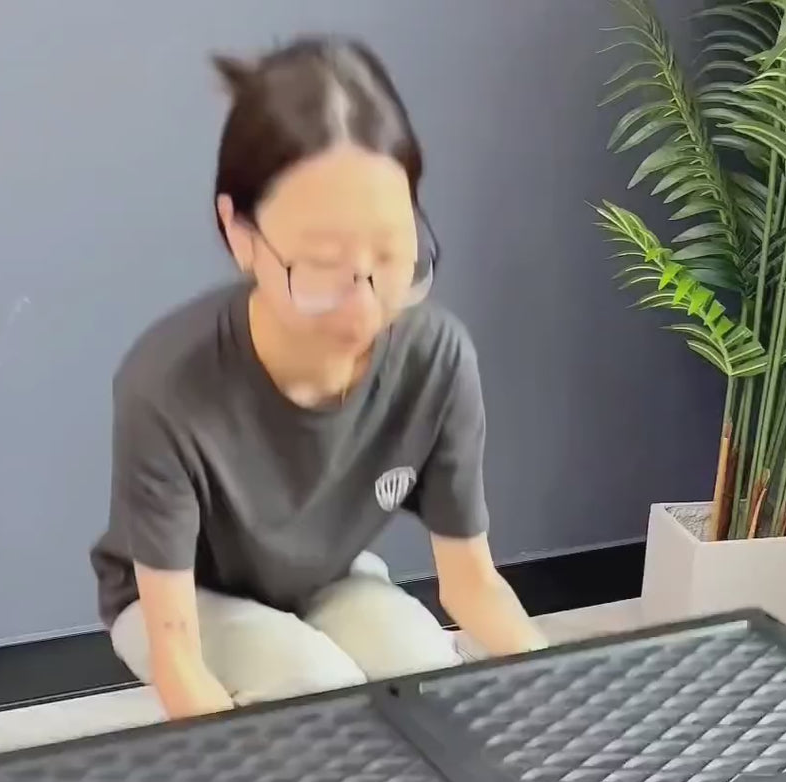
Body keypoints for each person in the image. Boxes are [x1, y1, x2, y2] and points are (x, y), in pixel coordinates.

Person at [91, 35, 545, 721]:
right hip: (177, 600)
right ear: (239, 232)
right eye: (323, 267)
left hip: (324, 575)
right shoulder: (167, 384)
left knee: (423, 672)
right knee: (315, 691)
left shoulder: (436, 357)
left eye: (390, 256)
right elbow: (178, 656)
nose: (364, 307)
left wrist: (561, 692)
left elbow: (472, 584)